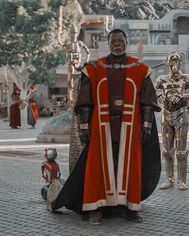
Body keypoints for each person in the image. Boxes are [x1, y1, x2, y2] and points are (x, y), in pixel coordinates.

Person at [51, 28, 161, 225]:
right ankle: (95, 208)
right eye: (113, 40)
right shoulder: (94, 69)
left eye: (120, 40)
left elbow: (147, 101)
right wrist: (84, 127)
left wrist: (146, 125)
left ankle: (130, 208)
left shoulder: (140, 69)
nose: (117, 43)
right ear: (108, 43)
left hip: (130, 128)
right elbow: (84, 102)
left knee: (130, 169)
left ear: (126, 42)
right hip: (101, 128)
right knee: (97, 169)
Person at [155, 51, 189, 191]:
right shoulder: (161, 79)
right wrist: (161, 96)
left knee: (181, 151)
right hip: (166, 114)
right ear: (167, 63)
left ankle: (182, 181)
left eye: (177, 61)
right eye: (171, 61)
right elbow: (154, 91)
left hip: (181, 114)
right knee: (167, 150)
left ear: (181, 63)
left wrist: (182, 95)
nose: (174, 64)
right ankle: (169, 179)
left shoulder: (188, 78)